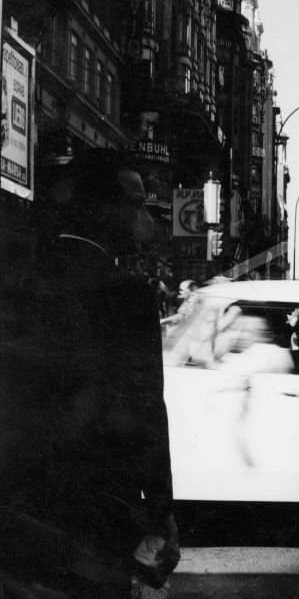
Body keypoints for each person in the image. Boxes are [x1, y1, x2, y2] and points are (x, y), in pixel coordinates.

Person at [0, 148, 179, 596]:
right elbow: (146, 406)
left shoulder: (17, 281)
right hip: (96, 508)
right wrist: (161, 510)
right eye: (136, 204)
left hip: (18, 500)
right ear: (101, 209)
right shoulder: (127, 295)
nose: (145, 218)